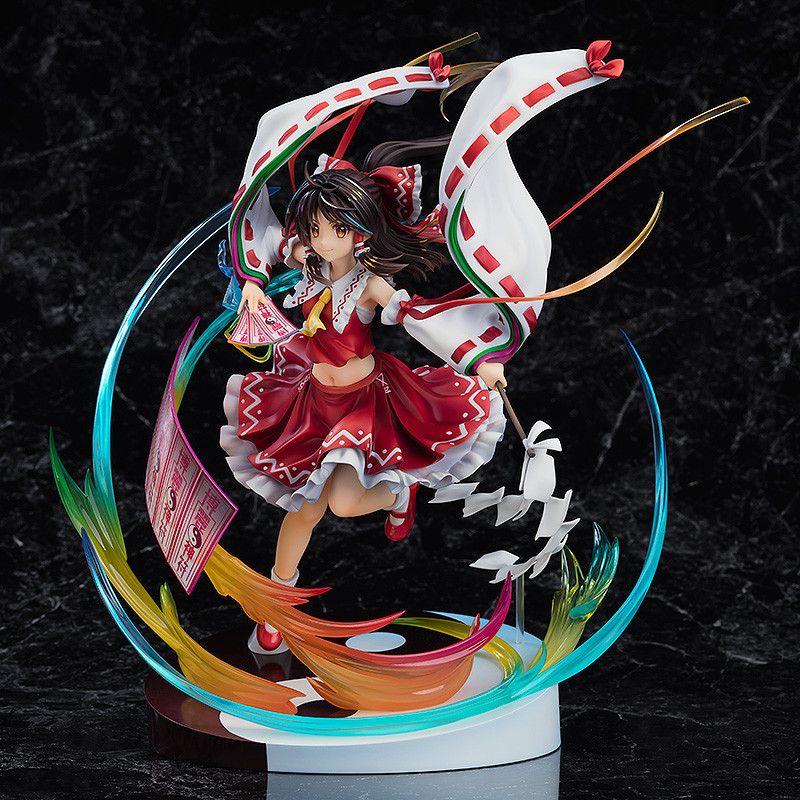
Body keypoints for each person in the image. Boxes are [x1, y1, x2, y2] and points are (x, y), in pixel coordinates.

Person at [220, 153, 507, 651]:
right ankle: (276, 607)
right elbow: (260, 235)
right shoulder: (305, 261)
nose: (322, 239)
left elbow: (419, 320)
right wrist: (251, 282)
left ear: (360, 232)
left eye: (335, 229)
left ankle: (398, 496)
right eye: (314, 228)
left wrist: (476, 358)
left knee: (344, 503)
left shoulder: (370, 285)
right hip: (312, 400)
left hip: (364, 404)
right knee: (305, 509)